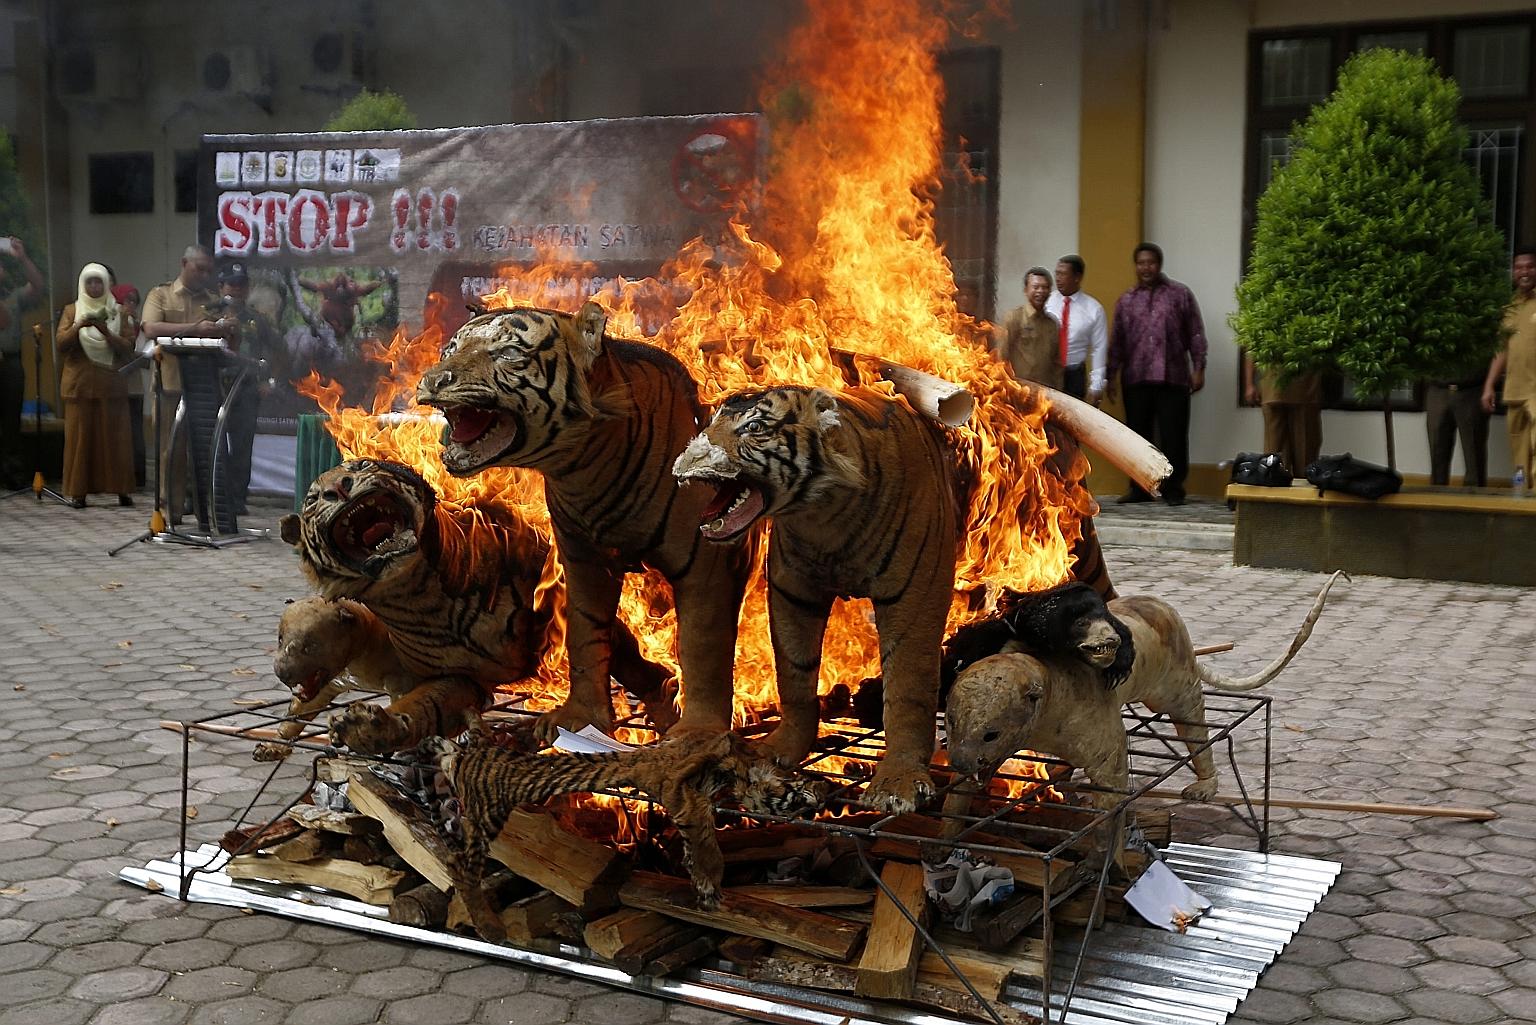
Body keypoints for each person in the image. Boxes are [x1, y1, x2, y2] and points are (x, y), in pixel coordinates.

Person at [1107, 243, 1207, 506]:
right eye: (1141, 263)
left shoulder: (1179, 295)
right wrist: (1111, 374)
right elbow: (1117, 341)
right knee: (1137, 438)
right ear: (1135, 265)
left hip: (1172, 377)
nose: (1145, 267)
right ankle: (1140, 488)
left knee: (1173, 435)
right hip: (1136, 379)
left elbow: (1195, 333)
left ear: (1159, 264)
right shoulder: (1127, 300)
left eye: (1150, 262)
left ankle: (1174, 489)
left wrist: (1199, 367)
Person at [141, 245, 231, 522]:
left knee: (203, 453)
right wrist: (195, 329)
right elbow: (151, 328)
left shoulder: (213, 300)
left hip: (204, 389)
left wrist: (227, 328)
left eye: (208, 270)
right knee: (172, 451)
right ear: (183, 263)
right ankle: (171, 511)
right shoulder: (161, 294)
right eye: (199, 268)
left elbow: (224, 342)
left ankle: (207, 513)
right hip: (170, 385)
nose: (204, 274)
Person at [54, 264, 135, 508]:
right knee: (80, 441)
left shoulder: (118, 312)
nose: (94, 287)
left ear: (107, 284)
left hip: (111, 386)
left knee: (116, 441)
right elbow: (60, 344)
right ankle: (78, 492)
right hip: (80, 386)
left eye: (98, 282)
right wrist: (79, 326)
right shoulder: (72, 310)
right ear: (82, 285)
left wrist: (106, 333)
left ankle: (122, 490)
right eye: (89, 282)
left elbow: (128, 347)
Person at [214, 261, 286, 514]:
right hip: (214, 389)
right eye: (231, 284)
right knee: (213, 445)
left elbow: (279, 350)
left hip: (245, 389)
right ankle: (210, 498)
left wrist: (271, 381)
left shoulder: (257, 320)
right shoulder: (208, 316)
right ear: (221, 286)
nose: (236, 289)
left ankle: (236, 500)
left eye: (241, 284)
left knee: (242, 447)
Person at [1483, 245, 1536, 489]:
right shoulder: (1509, 307)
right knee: (1519, 452)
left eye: (1530, 266)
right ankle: (1522, 501)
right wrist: (1489, 386)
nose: (1524, 271)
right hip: (1515, 389)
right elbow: (1501, 349)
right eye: (1518, 267)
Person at [0, 236, 44, 488]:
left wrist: (23, 257)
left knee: (11, 421)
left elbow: (38, 287)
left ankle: (12, 474)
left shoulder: (13, 297)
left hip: (11, 364)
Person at [1242, 355, 1322, 479]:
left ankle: (1303, 492)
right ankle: (1275, 491)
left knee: (1305, 456)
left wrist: (1249, 384)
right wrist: (1249, 384)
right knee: (1274, 454)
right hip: (1275, 389)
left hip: (1305, 390)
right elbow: (1251, 346)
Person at [1046, 254, 1108, 404]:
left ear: (1077, 277)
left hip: (1074, 375)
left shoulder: (1094, 309)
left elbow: (1099, 349)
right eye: (1057, 273)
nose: (1058, 279)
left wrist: (1096, 387)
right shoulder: (1047, 302)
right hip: (1048, 372)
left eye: (1063, 274)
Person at [992, 267, 1062, 389]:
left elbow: (1056, 363)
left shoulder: (1052, 324)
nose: (1040, 291)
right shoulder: (1014, 318)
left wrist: (1058, 389)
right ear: (1026, 290)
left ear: (1050, 291)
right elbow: (1002, 355)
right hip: (1019, 389)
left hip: (1045, 393)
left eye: (1045, 287)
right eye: (1035, 287)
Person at [1425, 362, 1489, 488]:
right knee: (1437, 452)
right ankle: (1437, 500)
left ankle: (1475, 502)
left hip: (1471, 389)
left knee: (1474, 455)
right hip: (1438, 389)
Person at [111, 283, 148, 489]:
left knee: (135, 433)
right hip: (113, 386)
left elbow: (145, 355)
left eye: (134, 301)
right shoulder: (109, 324)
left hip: (134, 387)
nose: (131, 305)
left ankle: (138, 477)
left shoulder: (140, 326)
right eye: (127, 300)